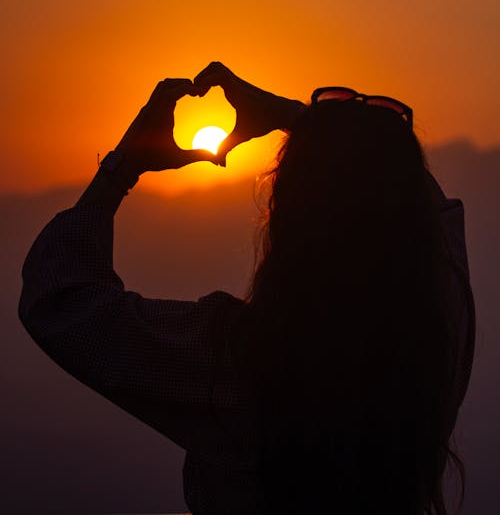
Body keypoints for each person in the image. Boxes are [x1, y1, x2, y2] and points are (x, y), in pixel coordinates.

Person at [19, 62, 475, 515]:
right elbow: (436, 220)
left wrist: (123, 167)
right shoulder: (433, 341)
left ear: (288, 217)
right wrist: (316, 127)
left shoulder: (236, 363)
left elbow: (60, 298)